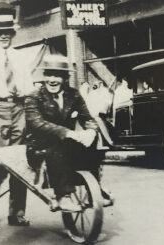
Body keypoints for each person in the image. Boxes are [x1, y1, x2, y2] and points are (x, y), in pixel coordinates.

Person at [25, 54, 112, 212]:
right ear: (44, 77)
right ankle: (63, 196)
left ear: (65, 78)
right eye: (49, 74)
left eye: (57, 75)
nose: (52, 80)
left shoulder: (74, 95)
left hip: (65, 146)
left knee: (91, 142)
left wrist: (91, 132)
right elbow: (36, 123)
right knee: (60, 146)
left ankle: (95, 189)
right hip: (40, 148)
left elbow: (87, 118)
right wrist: (67, 132)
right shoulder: (34, 97)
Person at [0, 2, 34, 226]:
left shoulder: (21, 57)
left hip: (19, 108)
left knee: (20, 159)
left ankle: (16, 212)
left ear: (12, 34)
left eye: (7, 32)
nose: (3, 37)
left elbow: (28, 87)